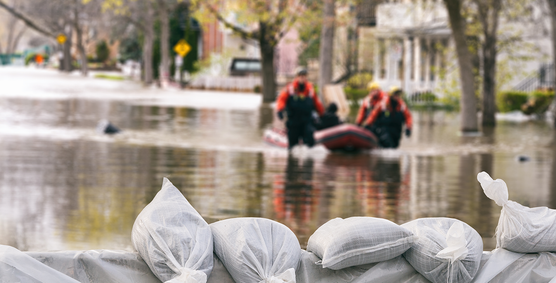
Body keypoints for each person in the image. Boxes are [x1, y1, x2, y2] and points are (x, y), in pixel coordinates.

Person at [276, 68, 324, 149]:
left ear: (306, 77)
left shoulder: (310, 89)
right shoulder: (289, 88)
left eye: (304, 76)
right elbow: (281, 99)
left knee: (310, 143)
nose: (302, 78)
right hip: (294, 121)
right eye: (300, 76)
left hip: (307, 121)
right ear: (297, 77)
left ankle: (309, 159)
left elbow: (316, 103)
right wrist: (280, 110)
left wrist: (322, 114)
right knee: (292, 146)